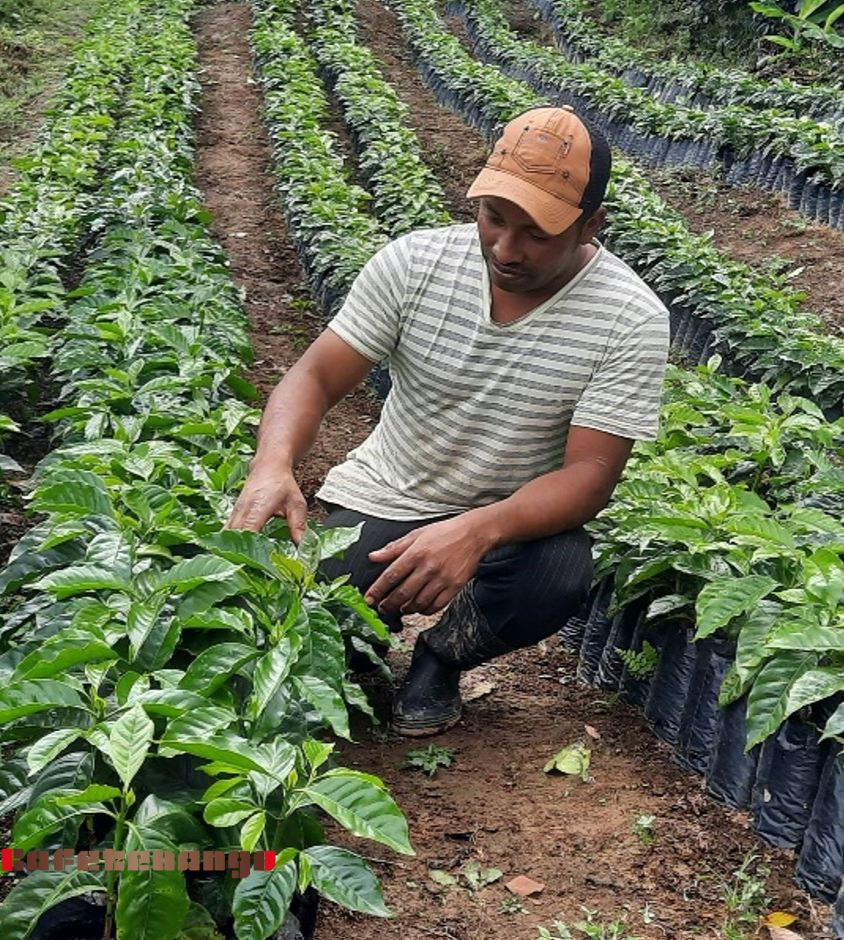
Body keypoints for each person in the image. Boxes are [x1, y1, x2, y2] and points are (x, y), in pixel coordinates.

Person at [227, 105, 669, 736]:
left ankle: (441, 659)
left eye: (537, 234)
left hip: (516, 517)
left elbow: (590, 475)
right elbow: (316, 377)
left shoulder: (630, 317)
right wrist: (272, 464)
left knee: (558, 574)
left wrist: (475, 530)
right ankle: (366, 647)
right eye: (494, 218)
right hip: (391, 493)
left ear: (590, 224)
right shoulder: (415, 262)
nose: (506, 249)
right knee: (324, 622)